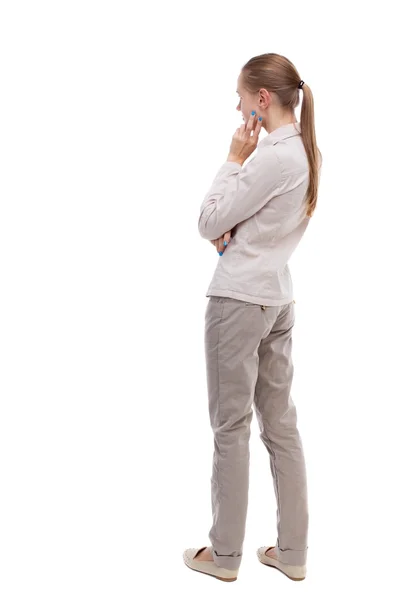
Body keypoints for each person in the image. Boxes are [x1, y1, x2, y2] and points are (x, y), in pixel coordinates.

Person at [183, 52, 322, 583]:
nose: (237, 106)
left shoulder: (270, 157)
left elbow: (207, 220)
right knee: (281, 426)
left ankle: (223, 558)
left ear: (262, 100)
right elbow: (252, 229)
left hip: (238, 301)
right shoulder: (306, 154)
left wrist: (232, 158)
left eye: (241, 96)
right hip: (276, 298)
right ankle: (292, 552)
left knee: (230, 427)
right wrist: (232, 236)